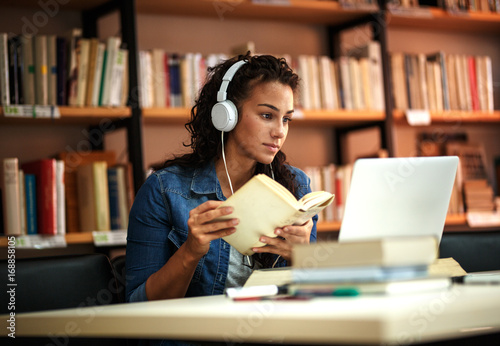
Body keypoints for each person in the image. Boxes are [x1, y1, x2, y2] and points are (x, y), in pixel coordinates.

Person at [126, 53, 318, 307]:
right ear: (226, 115)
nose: (279, 132)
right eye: (267, 116)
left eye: (286, 119)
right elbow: (138, 304)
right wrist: (190, 251)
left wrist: (301, 258)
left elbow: (311, 300)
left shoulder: (297, 187)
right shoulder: (164, 191)